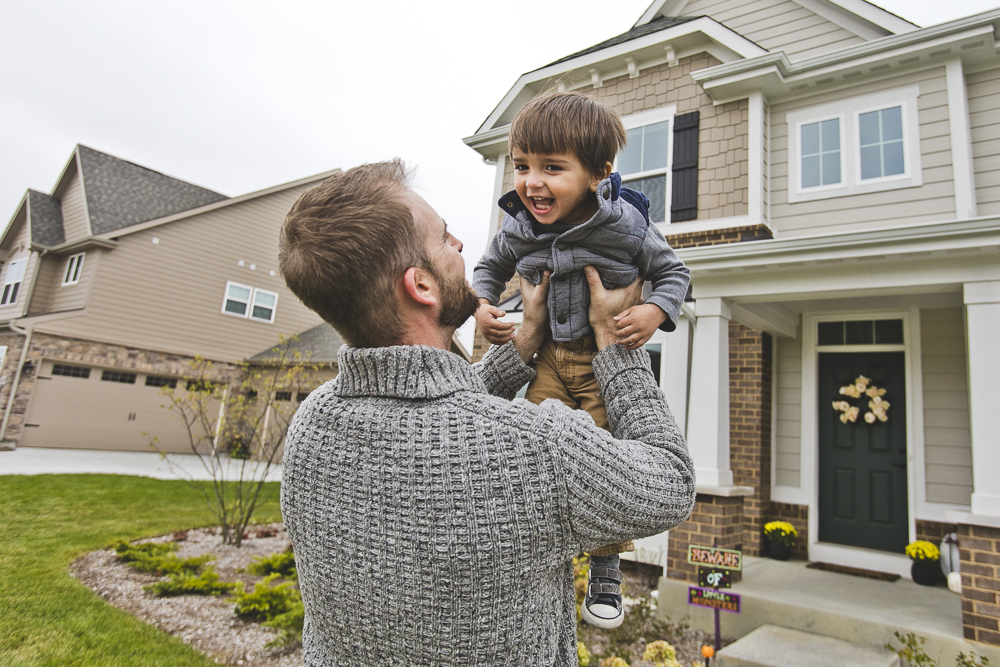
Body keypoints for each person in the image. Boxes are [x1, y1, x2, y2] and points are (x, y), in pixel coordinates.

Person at [278, 159, 695, 666]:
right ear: (421, 286)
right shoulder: (537, 451)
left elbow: (438, 415)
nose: (460, 245)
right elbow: (672, 483)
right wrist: (613, 344)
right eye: (444, 237)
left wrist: (527, 337)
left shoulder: (311, 425)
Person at [472, 91, 691, 629]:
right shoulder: (517, 227)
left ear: (598, 174)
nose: (531, 183)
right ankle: (530, 548)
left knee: (605, 459)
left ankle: (607, 567)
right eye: (522, 166)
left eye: (552, 168)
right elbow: (488, 269)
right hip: (547, 359)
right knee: (530, 446)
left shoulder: (627, 224)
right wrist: (481, 305)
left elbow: (673, 274)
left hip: (601, 363)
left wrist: (653, 313)